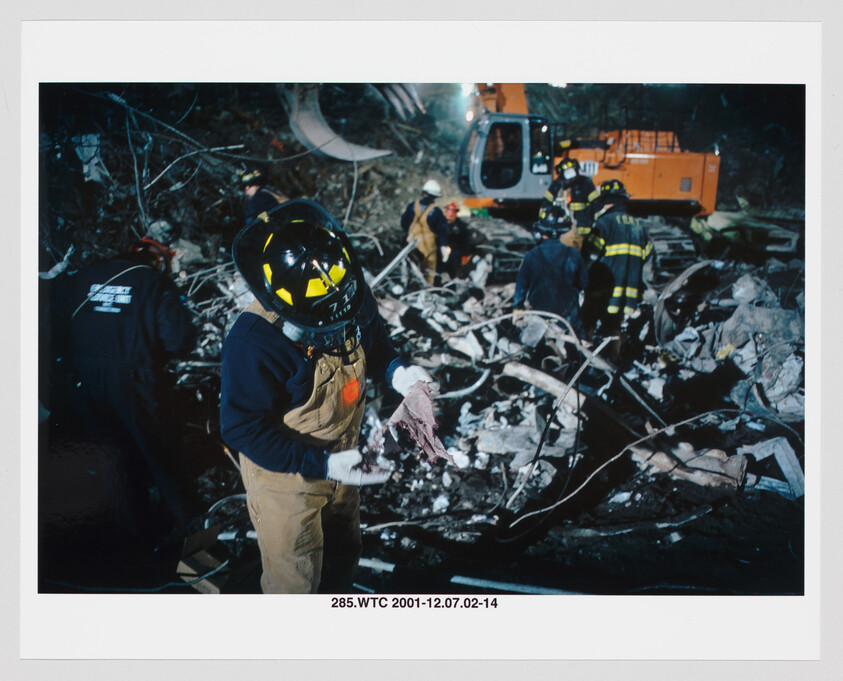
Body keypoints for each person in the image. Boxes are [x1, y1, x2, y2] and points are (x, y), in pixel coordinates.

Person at [219, 199, 437, 594]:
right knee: (295, 582)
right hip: (287, 477)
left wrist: (399, 373)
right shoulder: (253, 341)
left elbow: (376, 343)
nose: (336, 321)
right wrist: (322, 464)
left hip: (345, 461)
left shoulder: (345, 288)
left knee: (342, 557)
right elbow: (242, 429)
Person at [51, 237, 199, 529]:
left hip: (84, 382)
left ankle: (131, 535)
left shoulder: (82, 277)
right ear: (158, 260)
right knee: (162, 455)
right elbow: (180, 339)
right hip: (136, 380)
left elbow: (54, 326)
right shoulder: (154, 283)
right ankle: (190, 529)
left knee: (112, 459)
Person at [581, 179, 653, 361]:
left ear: (606, 201)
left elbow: (589, 256)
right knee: (613, 326)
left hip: (602, 288)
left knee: (587, 322)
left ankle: (583, 360)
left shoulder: (603, 223)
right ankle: (612, 362)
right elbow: (649, 256)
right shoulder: (638, 226)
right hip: (626, 292)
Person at [512, 207, 589, 339]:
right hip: (568, 316)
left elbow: (521, 287)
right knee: (577, 347)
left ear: (541, 231)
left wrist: (518, 309)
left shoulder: (531, 256)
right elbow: (584, 282)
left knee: (536, 348)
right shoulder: (573, 254)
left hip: (539, 313)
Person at [538, 157, 599, 250]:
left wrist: (588, 219)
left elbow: (596, 203)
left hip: (582, 226)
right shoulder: (557, 184)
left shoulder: (585, 183)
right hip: (562, 226)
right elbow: (547, 201)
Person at [400, 179, 450, 285]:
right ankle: (427, 292)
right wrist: (444, 246)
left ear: (424, 193)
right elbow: (442, 231)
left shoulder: (412, 206)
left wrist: (409, 234)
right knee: (429, 270)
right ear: (435, 197)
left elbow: (403, 223)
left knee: (411, 268)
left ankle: (409, 288)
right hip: (429, 247)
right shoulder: (436, 212)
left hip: (411, 243)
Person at [442, 201, 471, 278]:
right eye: (449, 210)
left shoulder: (461, 226)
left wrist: (465, 255)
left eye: (453, 211)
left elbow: (465, 241)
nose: (450, 214)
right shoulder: (440, 223)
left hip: (455, 252)